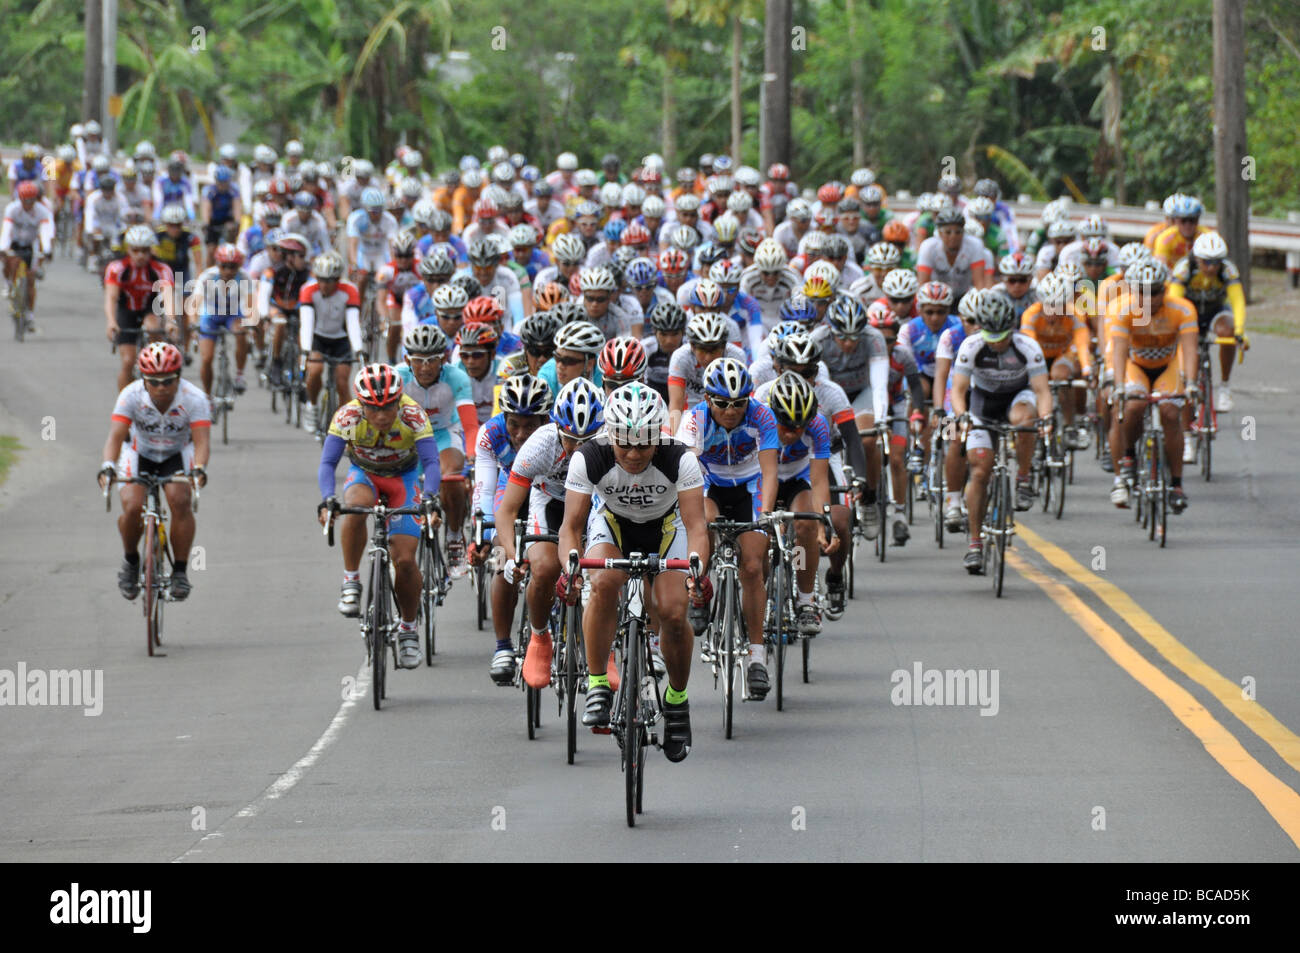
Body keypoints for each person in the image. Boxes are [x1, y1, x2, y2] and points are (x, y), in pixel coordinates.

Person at [556, 383, 706, 761]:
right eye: (625, 444)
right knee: (603, 582)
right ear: (610, 435)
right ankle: (596, 684)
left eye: (644, 444)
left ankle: (677, 700)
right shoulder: (589, 456)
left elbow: (697, 527)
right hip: (614, 525)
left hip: (667, 528)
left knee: (673, 611)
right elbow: (570, 526)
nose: (635, 454)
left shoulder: (680, 459)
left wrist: (695, 575)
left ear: (660, 436)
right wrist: (571, 568)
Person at [317, 364, 442, 668]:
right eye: (373, 408)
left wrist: (429, 500)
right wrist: (327, 501)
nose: (382, 415)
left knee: (405, 561)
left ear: (400, 400)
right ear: (361, 405)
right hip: (366, 475)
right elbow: (327, 464)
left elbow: (432, 462)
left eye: (388, 406)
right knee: (356, 508)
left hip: (405, 479)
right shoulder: (347, 416)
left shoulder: (413, 415)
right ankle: (351, 580)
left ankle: (409, 629)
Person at [676, 357, 779, 699]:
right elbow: (686, 473)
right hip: (708, 484)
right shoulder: (693, 421)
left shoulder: (762, 416)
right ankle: (699, 585)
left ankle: (757, 658)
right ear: (707, 399)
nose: (731, 410)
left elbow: (769, 473)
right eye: (722, 403)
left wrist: (764, 514)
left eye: (739, 403)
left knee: (751, 565)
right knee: (702, 523)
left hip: (749, 487)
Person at [497, 378, 606, 691]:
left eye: (588, 440)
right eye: (570, 439)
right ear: (556, 427)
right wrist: (513, 554)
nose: (578, 448)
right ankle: (540, 635)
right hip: (551, 501)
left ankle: (607, 647)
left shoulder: (614, 442)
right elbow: (507, 511)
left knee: (602, 574)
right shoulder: (540, 444)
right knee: (543, 569)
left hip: (594, 501)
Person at [98, 342, 209, 602]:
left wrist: (199, 469)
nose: (161, 388)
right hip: (140, 453)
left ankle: (179, 572)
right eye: (154, 381)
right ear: (143, 379)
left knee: (180, 500)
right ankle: (131, 560)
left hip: (176, 454)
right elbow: (115, 437)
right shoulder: (130, 395)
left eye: (168, 381)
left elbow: (202, 442)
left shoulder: (194, 398)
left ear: (179, 378)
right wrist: (108, 466)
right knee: (132, 506)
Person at [949, 291, 1052, 573]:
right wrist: (962, 417)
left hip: (1018, 396)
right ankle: (974, 543)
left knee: (1025, 419)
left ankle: (1023, 479)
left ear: (1012, 329)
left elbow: (1042, 391)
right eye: (991, 338)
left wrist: (1046, 418)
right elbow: (958, 391)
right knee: (980, 470)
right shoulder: (971, 346)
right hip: (982, 404)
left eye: (1002, 338)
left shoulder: (1027, 347)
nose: (996, 345)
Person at [473, 373, 555, 684]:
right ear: (503, 418)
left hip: (546, 489)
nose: (520, 434)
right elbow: (484, 488)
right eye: (514, 424)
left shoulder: (556, 433)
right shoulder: (490, 433)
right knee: (500, 558)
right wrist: (481, 535)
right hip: (510, 489)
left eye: (529, 425)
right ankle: (503, 647)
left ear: (544, 419)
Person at [1106, 261, 1198, 512]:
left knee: (1170, 411)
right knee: (1133, 405)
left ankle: (1177, 485)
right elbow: (1119, 352)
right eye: (1142, 292)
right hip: (1135, 365)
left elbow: (1189, 350)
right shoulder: (1123, 310)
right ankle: (1128, 456)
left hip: (1168, 365)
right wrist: (1118, 386)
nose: (1150, 298)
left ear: (1165, 290)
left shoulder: (1183, 309)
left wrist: (1191, 383)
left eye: (1155, 291)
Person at [754, 371, 838, 633]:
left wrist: (823, 522)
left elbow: (820, 480)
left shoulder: (819, 425)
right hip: (761, 476)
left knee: (806, 527)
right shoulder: (759, 418)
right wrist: (766, 516)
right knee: (760, 537)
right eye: (785, 426)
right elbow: (759, 472)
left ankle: (805, 602)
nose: (792, 433)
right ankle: (758, 599)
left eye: (799, 426)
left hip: (796, 478)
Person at [103, 225, 179, 391]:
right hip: (127, 310)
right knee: (128, 361)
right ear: (128, 249)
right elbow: (111, 297)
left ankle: (156, 369)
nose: (140, 256)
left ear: (151, 250)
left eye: (145, 251)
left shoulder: (161, 269)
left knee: (153, 328)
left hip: (149, 308)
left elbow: (167, 297)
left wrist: (171, 321)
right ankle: (124, 407)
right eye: (135, 250)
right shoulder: (117, 268)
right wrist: (111, 322)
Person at [300, 251, 364, 433]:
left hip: (341, 339)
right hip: (318, 338)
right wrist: (305, 351)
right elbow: (306, 323)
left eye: (329, 280)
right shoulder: (308, 290)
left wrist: (358, 350)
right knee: (315, 370)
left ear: (337, 279)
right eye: (321, 279)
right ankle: (311, 406)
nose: (324, 285)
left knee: (342, 382)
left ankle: (348, 426)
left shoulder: (350, 290)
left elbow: (352, 323)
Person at [2, 180, 54, 332]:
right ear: (20, 199)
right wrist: (3, 248)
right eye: (25, 201)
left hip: (31, 244)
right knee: (9, 261)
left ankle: (30, 315)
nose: (28, 204)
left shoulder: (42, 211)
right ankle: (10, 285)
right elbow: (6, 229)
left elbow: (46, 232)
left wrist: (47, 249)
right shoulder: (12, 209)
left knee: (30, 281)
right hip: (14, 242)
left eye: (31, 200)